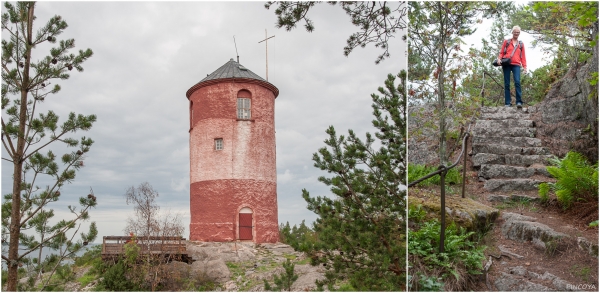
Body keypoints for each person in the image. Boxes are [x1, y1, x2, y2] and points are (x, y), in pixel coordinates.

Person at [497, 26, 527, 108]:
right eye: (515, 32)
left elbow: (523, 56)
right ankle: (507, 103)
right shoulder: (507, 42)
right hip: (506, 64)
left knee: (517, 82)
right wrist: (499, 59)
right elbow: (501, 52)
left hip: (516, 65)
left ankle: (519, 102)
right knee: (507, 84)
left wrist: (525, 67)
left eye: (518, 32)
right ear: (512, 32)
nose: (516, 33)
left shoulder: (521, 44)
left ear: (519, 33)